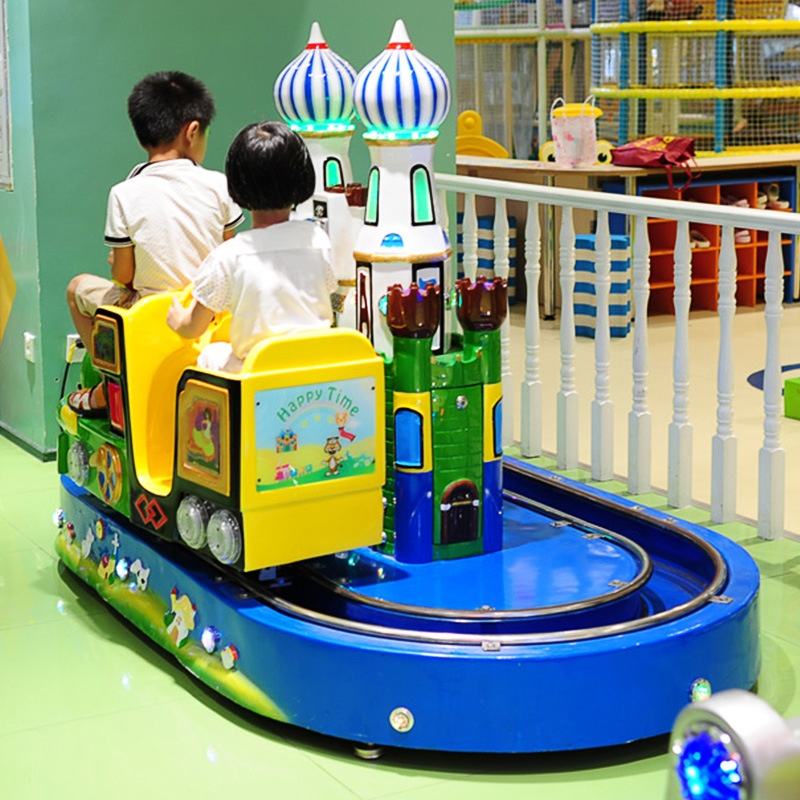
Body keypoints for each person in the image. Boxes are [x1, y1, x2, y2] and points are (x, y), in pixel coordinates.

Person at [66, 71, 243, 415]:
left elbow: (123, 276)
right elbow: (227, 256)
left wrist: (122, 267)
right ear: (192, 131)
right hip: (209, 314)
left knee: (76, 289)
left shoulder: (124, 192)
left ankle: (112, 385)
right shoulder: (219, 185)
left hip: (150, 315)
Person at [167, 121, 341, 373]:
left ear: (238, 182)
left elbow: (193, 327)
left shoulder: (229, 256)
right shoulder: (318, 240)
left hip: (259, 375)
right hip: (317, 368)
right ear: (301, 176)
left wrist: (177, 319)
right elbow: (328, 288)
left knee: (210, 355)